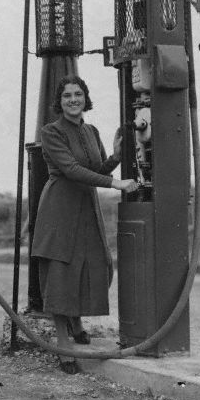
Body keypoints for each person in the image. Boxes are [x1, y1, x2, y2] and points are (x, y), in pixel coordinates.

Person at [31, 74, 138, 374]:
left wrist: (116, 157)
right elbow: (72, 169)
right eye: (67, 96)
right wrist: (115, 183)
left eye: (78, 94)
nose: (73, 100)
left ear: (85, 97)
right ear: (60, 101)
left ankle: (77, 323)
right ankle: (64, 344)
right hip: (60, 208)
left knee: (95, 265)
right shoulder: (50, 132)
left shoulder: (91, 130)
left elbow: (96, 168)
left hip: (86, 207)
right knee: (61, 272)